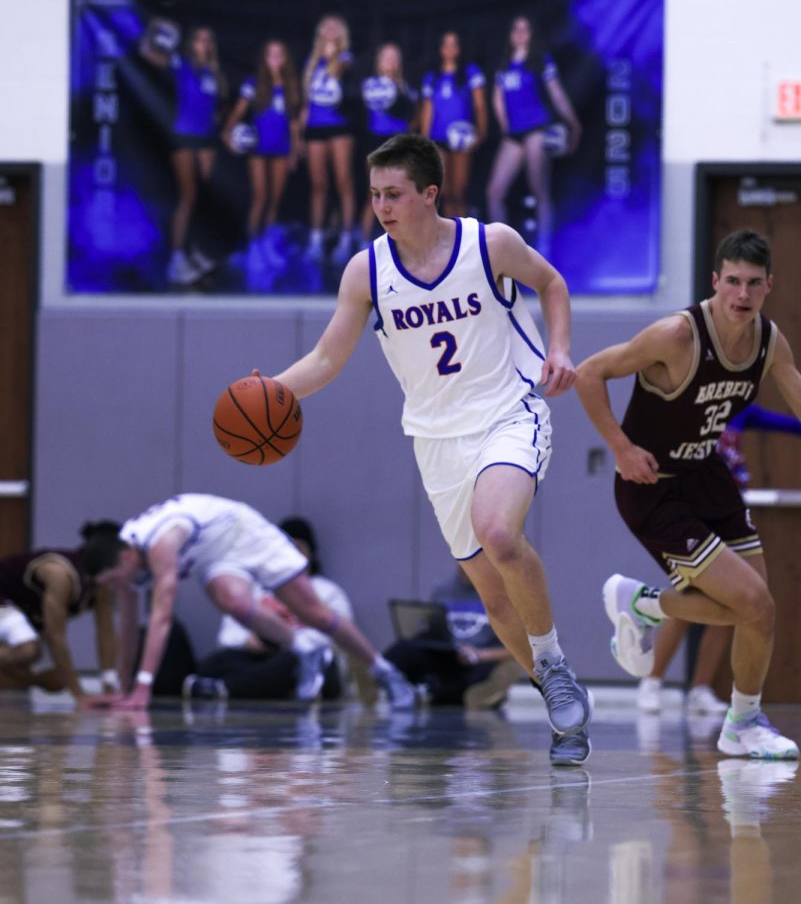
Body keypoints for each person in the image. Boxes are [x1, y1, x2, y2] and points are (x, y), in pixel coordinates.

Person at [263, 133, 591, 765]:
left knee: (499, 532)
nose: (381, 206)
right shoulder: (367, 270)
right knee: (492, 598)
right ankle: (559, 700)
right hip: (436, 441)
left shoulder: (487, 242)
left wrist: (560, 347)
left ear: (429, 193)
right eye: (375, 195)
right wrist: (271, 389)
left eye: (394, 194)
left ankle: (550, 663)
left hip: (508, 413)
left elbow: (551, 283)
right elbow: (330, 355)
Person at [575, 229, 801, 759]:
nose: (742, 295)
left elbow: (794, 389)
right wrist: (621, 446)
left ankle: (741, 721)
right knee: (747, 603)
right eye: (732, 283)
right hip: (654, 488)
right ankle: (642, 602)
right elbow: (590, 373)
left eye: (753, 284)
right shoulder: (676, 335)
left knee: (760, 610)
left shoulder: (769, 342)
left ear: (769, 285)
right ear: (716, 282)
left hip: (708, 476)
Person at [79, 495, 415, 711]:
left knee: (313, 613)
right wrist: (123, 690)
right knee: (234, 603)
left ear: (125, 557)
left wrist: (143, 688)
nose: (114, 586)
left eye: (112, 580)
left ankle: (383, 669)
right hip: (215, 553)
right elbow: (128, 628)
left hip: (243, 531)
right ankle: (304, 649)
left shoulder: (160, 544)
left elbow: (161, 619)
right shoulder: (125, 559)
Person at [638, 401, 801, 715]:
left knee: (737, 604)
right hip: (694, 515)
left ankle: (699, 689)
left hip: (730, 515)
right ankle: (652, 682)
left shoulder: (744, 410)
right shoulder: (692, 402)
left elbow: (792, 425)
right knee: (690, 598)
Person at [185, 516, 354, 703]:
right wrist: (249, 641)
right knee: (214, 664)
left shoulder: (327, 591)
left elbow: (338, 639)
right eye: (287, 547)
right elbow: (227, 635)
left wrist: (287, 640)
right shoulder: (256, 589)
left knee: (298, 661)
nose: (292, 554)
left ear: (311, 553)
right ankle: (256, 686)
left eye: (298, 548)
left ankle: (226, 689)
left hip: (302, 661)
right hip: (261, 658)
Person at [486, 15, 581, 261]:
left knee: (539, 189)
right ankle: (502, 249)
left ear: (531, 34)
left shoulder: (540, 60)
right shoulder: (505, 63)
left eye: (524, 29)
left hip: (536, 131)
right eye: (515, 29)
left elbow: (557, 94)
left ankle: (545, 247)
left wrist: (573, 124)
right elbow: (497, 98)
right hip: (514, 135)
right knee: (494, 192)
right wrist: (506, 125)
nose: (519, 33)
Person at [384, 562, 521, 710]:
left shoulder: (504, 594)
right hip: (448, 655)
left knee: (509, 664)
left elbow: (519, 647)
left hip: (481, 658)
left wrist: (478, 655)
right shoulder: (443, 590)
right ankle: (381, 672)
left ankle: (485, 694)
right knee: (406, 647)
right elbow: (434, 630)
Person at [0, 545, 117, 705]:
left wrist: (108, 686)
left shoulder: (102, 587)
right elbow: (55, 636)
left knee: (57, 682)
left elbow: (106, 635)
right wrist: (79, 695)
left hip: (24, 612)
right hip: (5, 599)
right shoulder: (59, 574)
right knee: (28, 650)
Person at [223, 38, 302, 275]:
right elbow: (238, 111)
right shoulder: (254, 82)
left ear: (285, 59)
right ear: (264, 58)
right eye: (271, 54)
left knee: (274, 199)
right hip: (258, 147)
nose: (275, 59)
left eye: (279, 54)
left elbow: (294, 122)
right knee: (260, 196)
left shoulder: (291, 85)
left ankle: (267, 247)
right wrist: (227, 132)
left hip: (281, 148)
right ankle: (252, 249)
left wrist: (295, 149)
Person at [166, 25, 226, 287]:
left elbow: (214, 107)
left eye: (208, 39)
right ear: (192, 44)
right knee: (188, 196)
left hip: (207, 140)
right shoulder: (181, 64)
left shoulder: (214, 73)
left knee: (201, 198)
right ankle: (176, 258)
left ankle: (194, 252)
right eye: (199, 39)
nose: (204, 43)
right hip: (183, 137)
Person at [301, 15, 358, 263]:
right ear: (319, 31)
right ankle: (316, 239)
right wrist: (299, 136)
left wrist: (333, 56)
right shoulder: (311, 62)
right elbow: (306, 102)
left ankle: (346, 239)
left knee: (343, 181)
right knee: (317, 184)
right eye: (326, 24)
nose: (330, 28)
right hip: (315, 127)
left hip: (340, 126)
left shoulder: (345, 59)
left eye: (336, 25)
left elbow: (341, 78)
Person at [420, 30, 487, 217]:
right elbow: (427, 110)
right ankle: (451, 239)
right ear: (440, 48)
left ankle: (465, 237)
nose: (450, 48)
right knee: (445, 193)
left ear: (459, 48)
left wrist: (481, 133)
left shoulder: (470, 72)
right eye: (446, 44)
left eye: (454, 44)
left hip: (462, 139)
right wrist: (425, 141)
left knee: (459, 191)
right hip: (438, 138)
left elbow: (480, 105)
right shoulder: (432, 77)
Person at [359, 42, 418, 245]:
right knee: (375, 194)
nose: (390, 61)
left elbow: (413, 119)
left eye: (394, 57)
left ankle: (401, 241)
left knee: (401, 194)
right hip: (377, 143)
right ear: (378, 61)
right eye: (386, 57)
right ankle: (363, 243)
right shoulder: (369, 86)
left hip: (399, 143)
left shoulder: (407, 88)